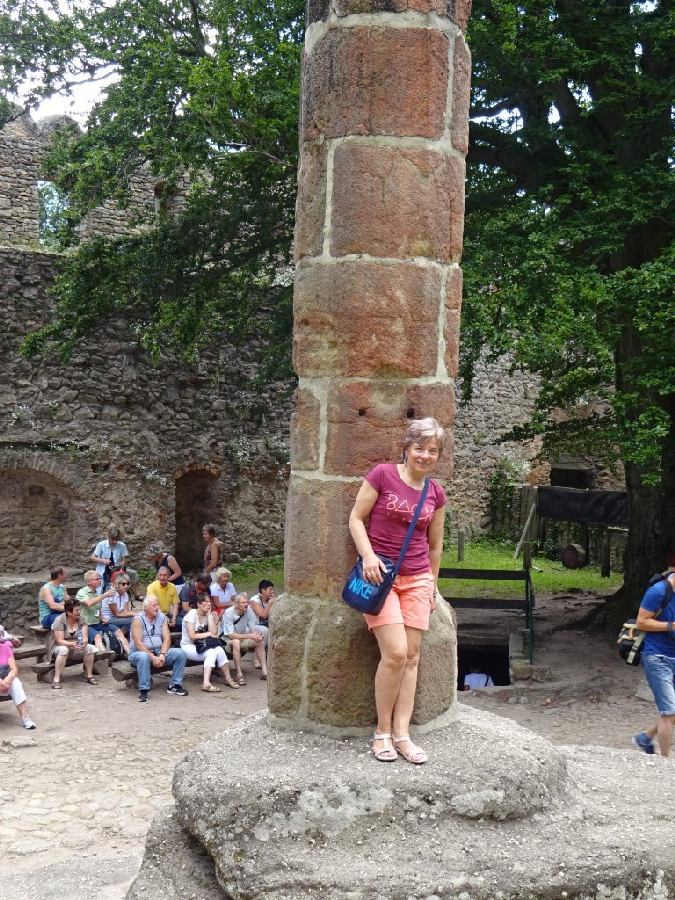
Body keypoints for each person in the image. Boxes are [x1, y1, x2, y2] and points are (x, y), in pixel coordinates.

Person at [347, 416, 447, 764]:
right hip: (380, 578)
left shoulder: (435, 493)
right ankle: (382, 732)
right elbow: (356, 518)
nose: (425, 455)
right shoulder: (382, 475)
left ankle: (403, 735)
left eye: (432, 450)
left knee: (412, 657)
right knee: (396, 653)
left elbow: (435, 546)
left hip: (418, 579)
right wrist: (368, 556)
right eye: (419, 448)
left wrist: (432, 584)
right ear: (407, 448)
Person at [632, 568, 675, 757]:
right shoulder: (658, 591)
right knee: (669, 712)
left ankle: (645, 738)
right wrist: (670, 626)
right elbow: (641, 622)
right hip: (657, 657)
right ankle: (666, 762)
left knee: (672, 711)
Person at [129, 597, 188, 702]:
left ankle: (174, 685)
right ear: (146, 608)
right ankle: (143, 690)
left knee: (180, 653)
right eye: (154, 605)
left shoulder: (162, 618)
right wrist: (153, 657)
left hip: (158, 651)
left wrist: (162, 655)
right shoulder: (137, 620)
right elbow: (138, 643)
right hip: (139, 653)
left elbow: (167, 639)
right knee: (143, 656)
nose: (157, 607)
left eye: (158, 605)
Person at [181, 596, 239, 691]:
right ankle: (206, 683)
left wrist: (209, 616)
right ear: (198, 604)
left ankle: (228, 679)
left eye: (209, 602)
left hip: (202, 645)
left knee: (219, 649)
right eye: (206, 601)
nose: (209, 604)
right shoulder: (191, 614)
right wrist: (208, 634)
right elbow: (192, 636)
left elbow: (214, 632)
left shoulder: (207, 615)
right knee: (211, 652)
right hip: (188, 646)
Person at [49, 598, 98, 689]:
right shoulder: (59, 620)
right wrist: (71, 644)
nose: (79, 612)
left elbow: (85, 637)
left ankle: (89, 676)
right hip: (58, 648)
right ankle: (56, 679)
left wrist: (84, 642)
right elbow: (59, 641)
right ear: (68, 612)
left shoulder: (82, 619)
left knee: (89, 648)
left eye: (79, 609)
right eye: (76, 610)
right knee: (63, 649)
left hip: (75, 647)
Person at [219, 593, 268, 684]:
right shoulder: (229, 613)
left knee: (259, 640)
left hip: (241, 637)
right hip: (226, 641)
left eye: (246, 602)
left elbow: (252, 628)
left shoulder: (248, 610)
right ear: (237, 604)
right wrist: (250, 636)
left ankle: (265, 672)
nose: (246, 604)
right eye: (243, 602)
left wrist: (256, 634)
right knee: (236, 642)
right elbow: (231, 635)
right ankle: (239, 674)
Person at [76, 570, 126, 652]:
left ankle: (129, 654)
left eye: (100, 578)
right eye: (97, 579)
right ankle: (104, 655)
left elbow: (97, 609)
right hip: (86, 625)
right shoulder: (82, 592)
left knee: (118, 631)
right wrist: (105, 595)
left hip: (98, 623)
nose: (100, 580)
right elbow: (89, 603)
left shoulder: (96, 593)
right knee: (97, 636)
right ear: (89, 582)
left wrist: (102, 617)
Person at [0, 639, 36, 729]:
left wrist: (9, 678)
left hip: (4, 683)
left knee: (16, 682)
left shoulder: (5, 648)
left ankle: (25, 717)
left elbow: (14, 668)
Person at [91, 525, 138, 590]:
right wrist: (102, 560)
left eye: (116, 540)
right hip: (103, 569)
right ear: (109, 537)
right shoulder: (101, 544)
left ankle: (135, 592)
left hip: (117, 569)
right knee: (103, 579)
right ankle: (109, 591)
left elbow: (124, 560)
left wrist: (121, 565)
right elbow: (93, 557)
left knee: (133, 573)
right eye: (113, 540)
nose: (115, 542)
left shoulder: (122, 545)